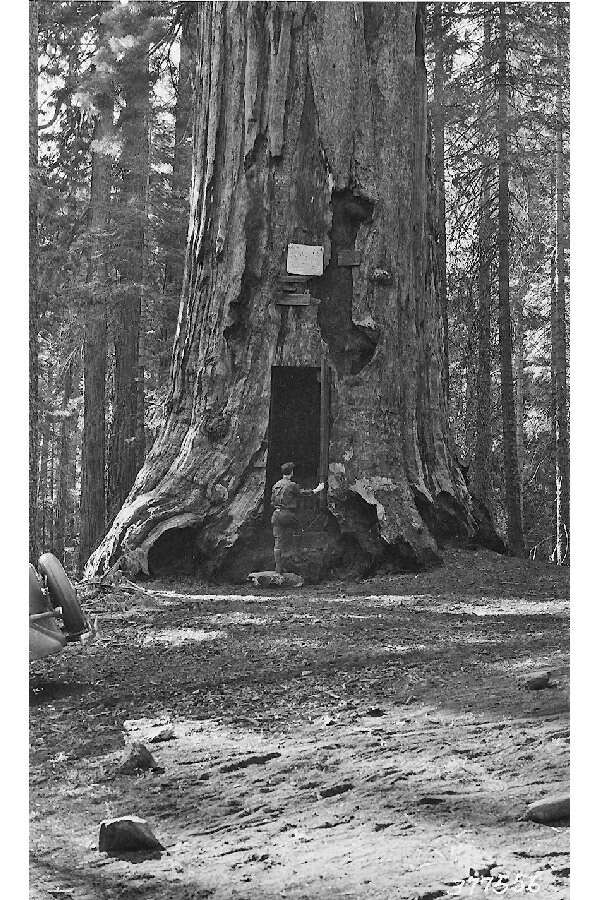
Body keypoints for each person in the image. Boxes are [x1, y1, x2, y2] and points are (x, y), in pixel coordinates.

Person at [270, 462, 324, 574]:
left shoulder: (276, 485)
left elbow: (272, 501)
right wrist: (316, 490)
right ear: (291, 473)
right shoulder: (291, 485)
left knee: (278, 541)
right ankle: (296, 556)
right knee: (298, 529)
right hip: (287, 514)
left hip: (276, 514)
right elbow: (302, 493)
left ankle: (278, 569)